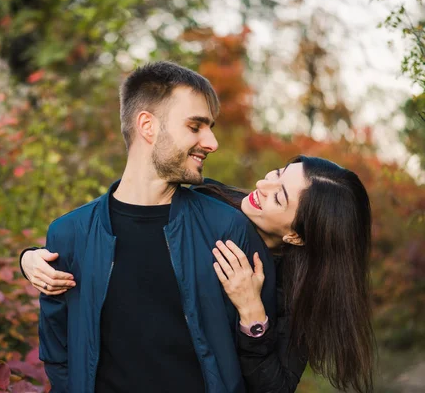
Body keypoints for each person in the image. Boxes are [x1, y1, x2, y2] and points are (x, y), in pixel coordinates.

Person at [22, 61, 278, 393]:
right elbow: (57, 352)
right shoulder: (69, 234)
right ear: (148, 125)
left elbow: (259, 361)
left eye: (210, 127)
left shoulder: (226, 229)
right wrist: (26, 258)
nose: (212, 142)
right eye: (195, 126)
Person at [23, 156, 376, 393]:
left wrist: (253, 314)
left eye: (279, 197)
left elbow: (275, 387)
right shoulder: (208, 203)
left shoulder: (301, 291)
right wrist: (31, 260)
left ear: (296, 235)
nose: (261, 186)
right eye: (278, 174)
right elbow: (115, 230)